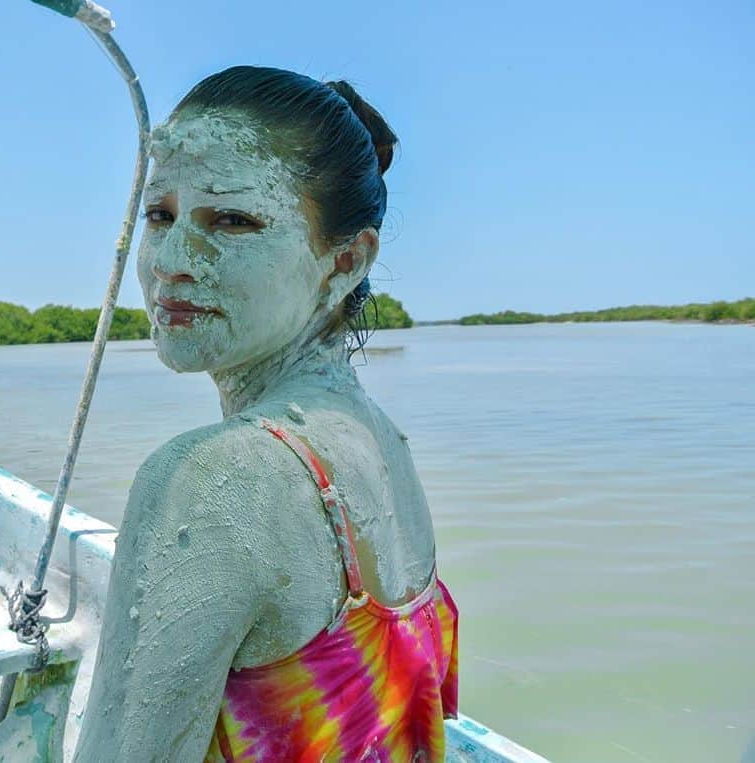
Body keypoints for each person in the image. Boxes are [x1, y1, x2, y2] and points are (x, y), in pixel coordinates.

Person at [74, 66, 458, 762]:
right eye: (160, 214)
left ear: (343, 260)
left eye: (233, 219)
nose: (173, 261)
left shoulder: (211, 479)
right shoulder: (385, 444)